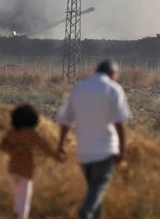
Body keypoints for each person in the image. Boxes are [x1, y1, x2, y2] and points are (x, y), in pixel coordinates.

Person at [57, 59, 132, 219]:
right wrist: (123, 151)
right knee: (98, 188)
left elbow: (65, 120)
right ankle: (84, 212)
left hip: (84, 152)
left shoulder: (80, 88)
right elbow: (120, 124)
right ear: (112, 73)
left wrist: (61, 144)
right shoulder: (113, 89)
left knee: (94, 192)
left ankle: (92, 214)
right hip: (105, 151)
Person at [0, 104, 63, 219]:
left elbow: (1, 146)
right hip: (26, 171)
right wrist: (57, 157)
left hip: (12, 170)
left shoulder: (12, 132)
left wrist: (13, 150)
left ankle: (16, 214)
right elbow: (45, 147)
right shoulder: (32, 134)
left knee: (17, 196)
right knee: (24, 199)